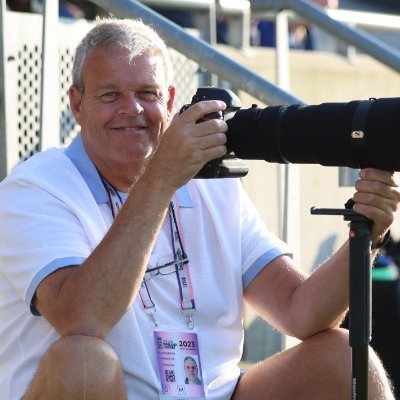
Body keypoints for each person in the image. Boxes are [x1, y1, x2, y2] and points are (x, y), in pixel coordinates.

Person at [0, 17, 398, 400]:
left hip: (216, 392)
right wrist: (159, 180)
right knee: (84, 361)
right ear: (77, 104)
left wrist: (368, 235)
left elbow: (300, 312)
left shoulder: (210, 182)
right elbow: (82, 318)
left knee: (343, 356)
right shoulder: (35, 188)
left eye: (147, 94)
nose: (132, 110)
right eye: (110, 95)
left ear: (170, 100)